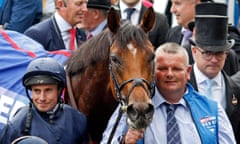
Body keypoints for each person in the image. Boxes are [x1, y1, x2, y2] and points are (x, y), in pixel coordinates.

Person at [101, 42, 236, 144]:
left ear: (188, 72)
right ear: (152, 72)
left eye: (176, 69)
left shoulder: (212, 109)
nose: (170, 74)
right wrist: (124, 141)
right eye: (163, 68)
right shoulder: (133, 107)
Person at [0, 57, 89, 144]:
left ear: (59, 91)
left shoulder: (78, 120)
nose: (42, 98)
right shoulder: (18, 123)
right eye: (37, 91)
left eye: (48, 90)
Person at [189, 2, 240, 143]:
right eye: (207, 53)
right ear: (194, 52)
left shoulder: (235, 89)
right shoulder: (181, 88)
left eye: (219, 54)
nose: (214, 60)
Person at [166, 0, 239, 76]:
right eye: (207, 53)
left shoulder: (226, 39)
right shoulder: (172, 34)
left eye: (178, 3)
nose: (172, 10)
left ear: (197, 3)